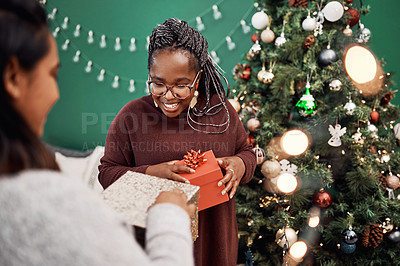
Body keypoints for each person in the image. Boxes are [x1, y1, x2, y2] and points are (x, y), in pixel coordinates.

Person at [0, 1, 195, 265]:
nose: (56, 94)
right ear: (13, 78)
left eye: (181, 85)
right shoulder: (49, 204)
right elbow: (108, 170)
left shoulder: (217, 115)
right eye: (52, 74)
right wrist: (169, 216)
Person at [99, 18, 256, 266]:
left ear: (198, 77)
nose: (168, 95)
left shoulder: (221, 112)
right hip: (155, 247)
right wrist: (152, 173)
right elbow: (107, 173)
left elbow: (245, 151)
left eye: (181, 85)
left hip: (214, 242)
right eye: (157, 83)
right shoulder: (132, 116)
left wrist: (240, 165)